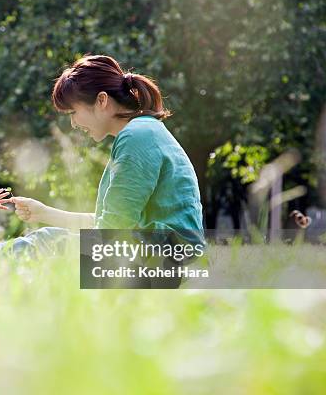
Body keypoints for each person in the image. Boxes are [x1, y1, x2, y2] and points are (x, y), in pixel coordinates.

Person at [11, 54, 205, 287]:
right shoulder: (143, 132)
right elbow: (110, 224)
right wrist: (43, 213)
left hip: (161, 263)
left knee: (44, 244)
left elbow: (112, 231)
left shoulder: (137, 137)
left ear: (102, 101)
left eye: (73, 112)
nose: (73, 123)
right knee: (47, 240)